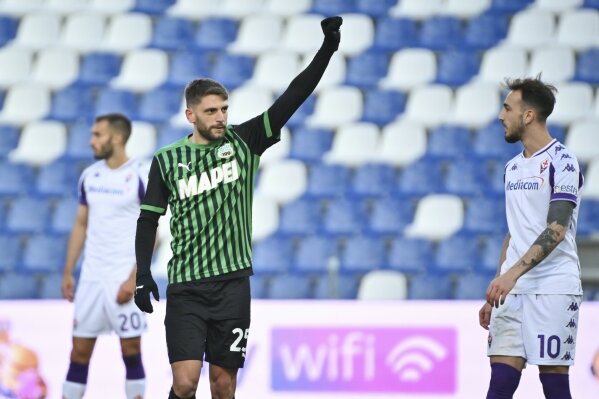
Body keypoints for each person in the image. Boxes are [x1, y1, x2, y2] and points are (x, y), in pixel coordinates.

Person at [133, 16, 343, 399]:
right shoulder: (167, 159)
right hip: (186, 287)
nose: (221, 117)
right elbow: (148, 220)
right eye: (211, 111)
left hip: (232, 285)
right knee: (183, 383)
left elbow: (292, 97)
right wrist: (143, 273)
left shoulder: (245, 141)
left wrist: (326, 50)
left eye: (224, 109)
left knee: (224, 384)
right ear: (190, 115)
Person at [479, 76, 584, 399]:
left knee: (553, 384)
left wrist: (510, 275)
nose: (500, 115)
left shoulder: (562, 162)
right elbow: (516, 230)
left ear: (528, 116)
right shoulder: (512, 168)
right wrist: (499, 282)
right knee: (500, 383)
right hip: (514, 290)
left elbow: (556, 229)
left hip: (553, 287)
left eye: (507, 107)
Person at [61, 114, 148, 399]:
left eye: (98, 134)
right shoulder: (90, 176)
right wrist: (68, 271)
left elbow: (153, 231)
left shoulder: (139, 175)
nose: (91, 140)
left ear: (117, 138)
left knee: (131, 351)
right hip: (91, 280)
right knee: (79, 352)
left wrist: (134, 278)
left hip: (124, 277)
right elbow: (81, 224)